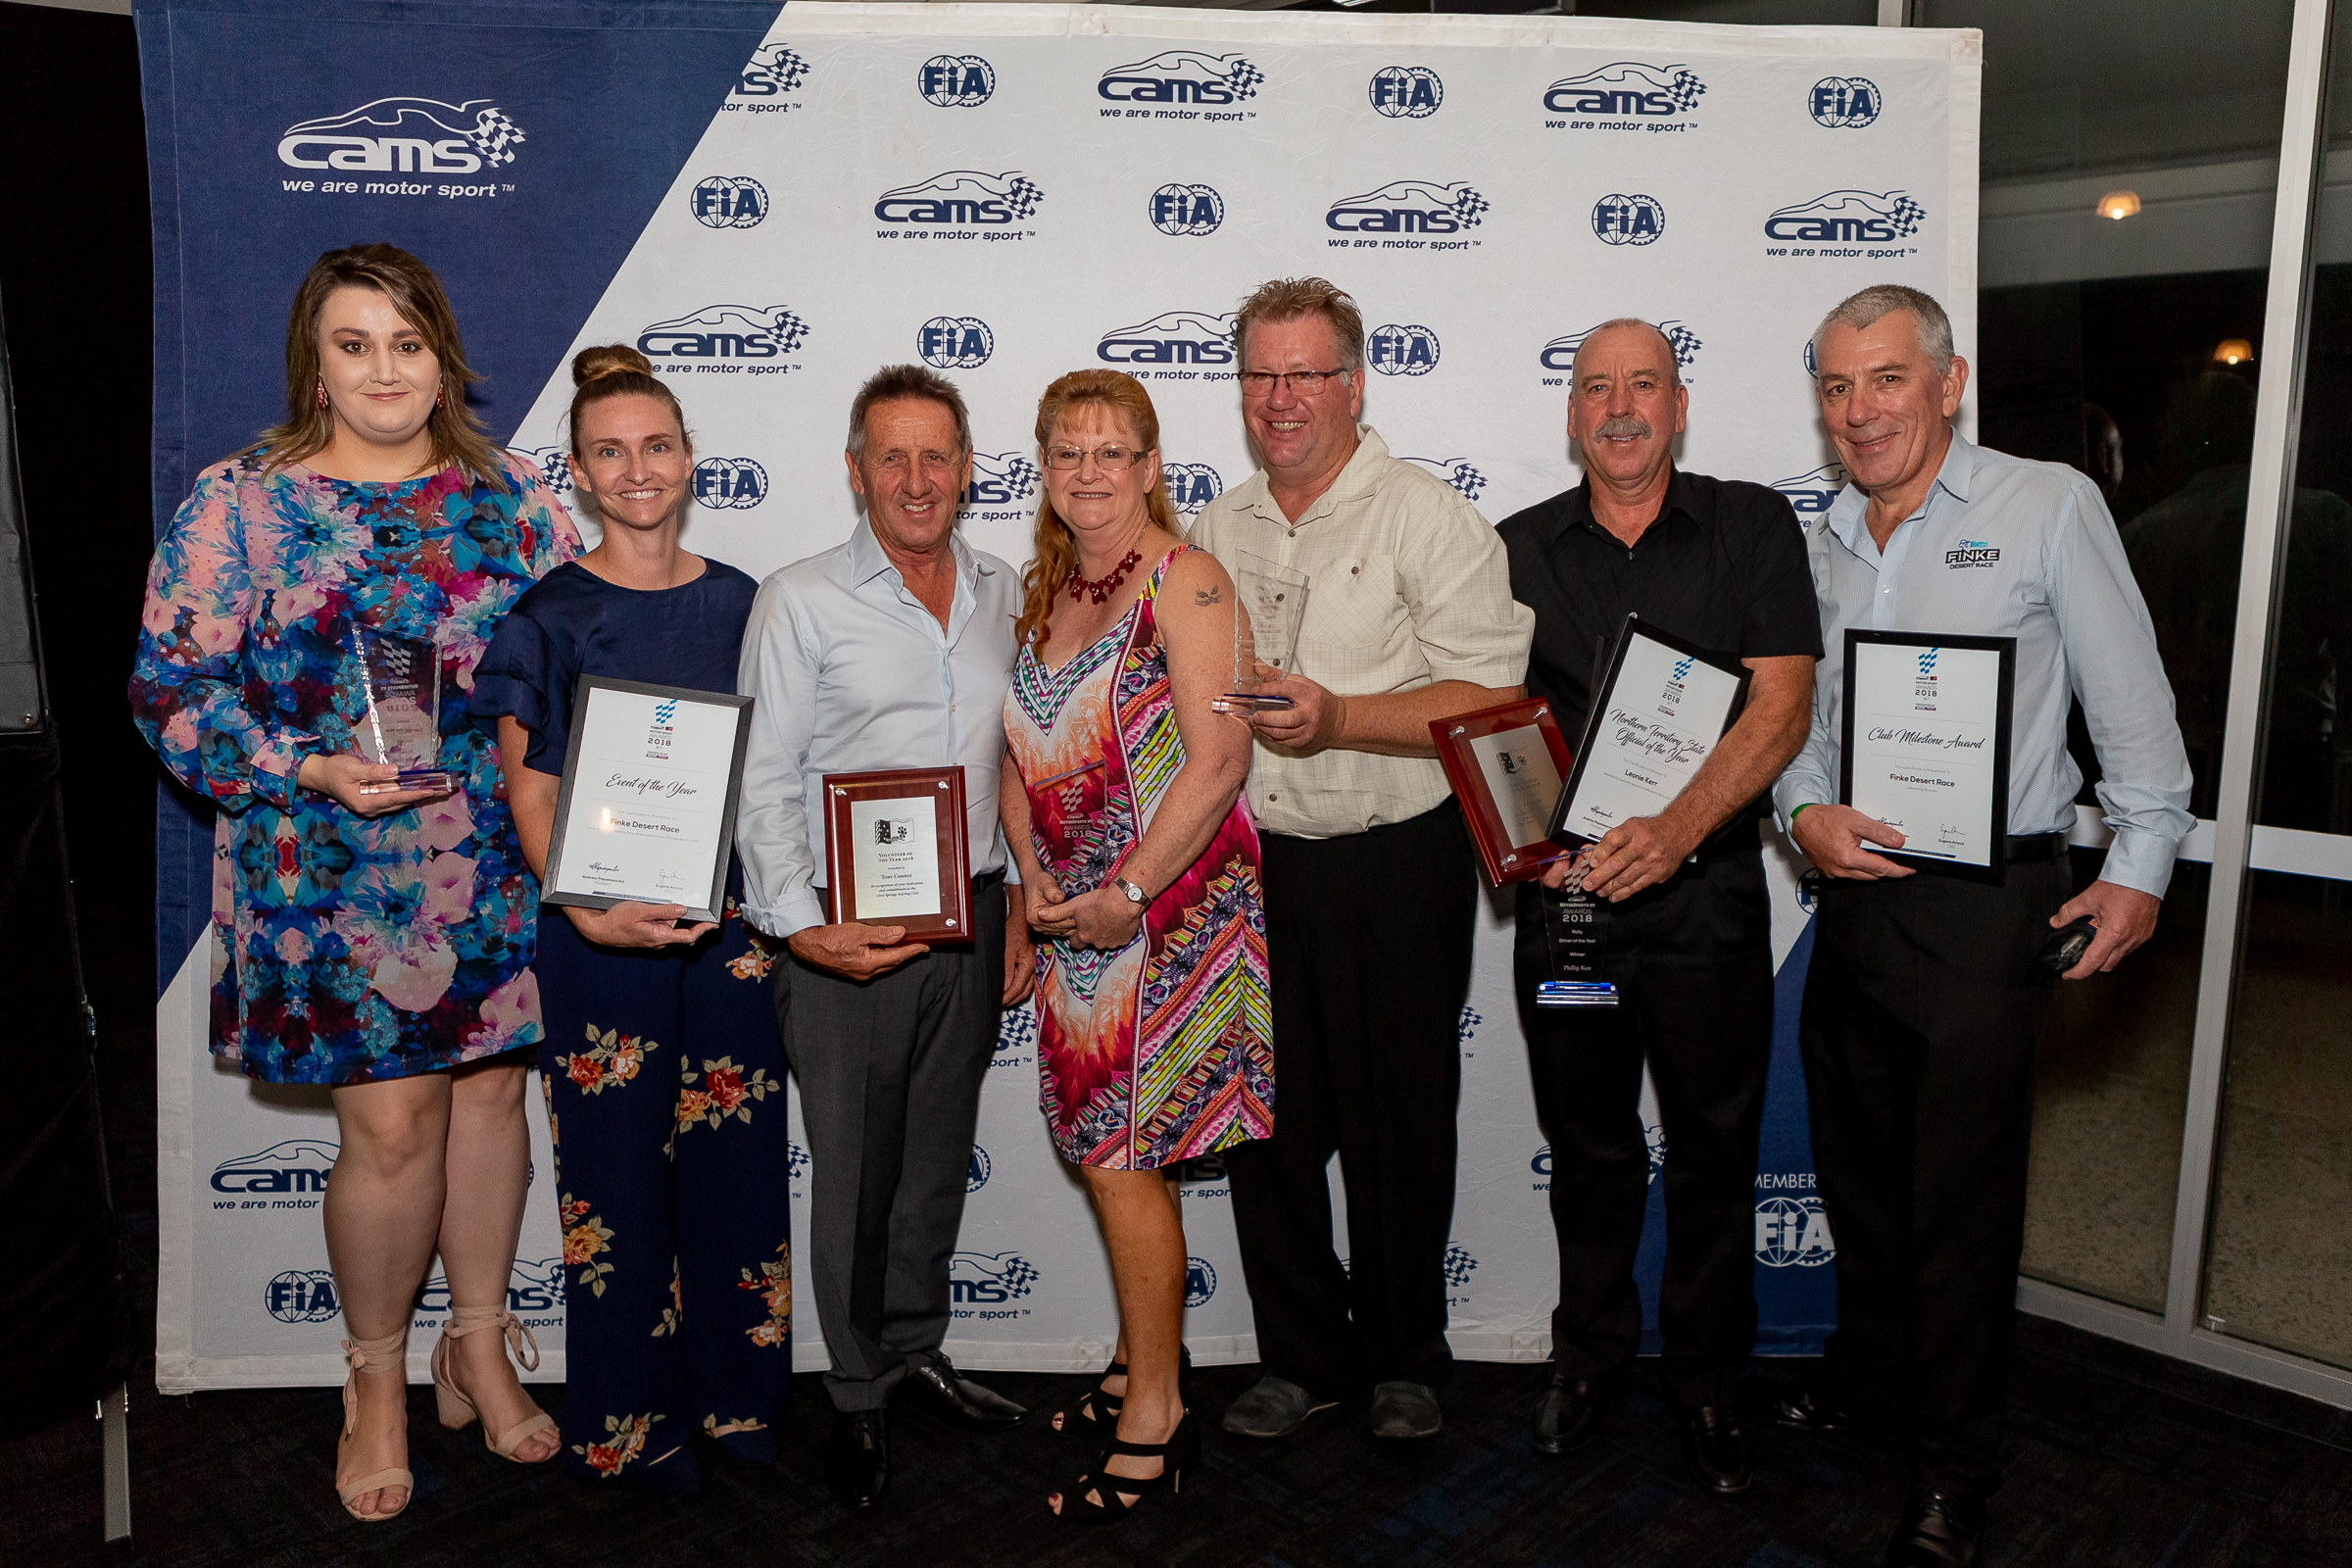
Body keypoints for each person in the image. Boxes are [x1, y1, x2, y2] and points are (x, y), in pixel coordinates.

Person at [128, 242, 577, 1522]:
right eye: (355, 343)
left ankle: (477, 1346)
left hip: (491, 861)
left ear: (443, 358)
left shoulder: (513, 496)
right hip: (326, 873)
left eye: (407, 342)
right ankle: (373, 1377)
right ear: (314, 365)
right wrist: (303, 767)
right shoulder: (240, 503)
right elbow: (168, 691)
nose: (385, 368)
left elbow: (574, 661)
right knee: (390, 1132)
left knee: (490, 1102)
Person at [1773, 284, 2192, 1567]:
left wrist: (2141, 864)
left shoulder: (2046, 504)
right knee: (1858, 1172)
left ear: (1948, 383)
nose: (1860, 410)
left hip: (1986, 904)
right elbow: (1802, 726)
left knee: (1957, 1205)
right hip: (1854, 902)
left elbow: (2132, 705)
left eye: (1887, 378)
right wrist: (1802, 813)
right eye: (1838, 386)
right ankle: (1871, 1379)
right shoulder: (1821, 534)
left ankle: (1956, 1468)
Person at [1191, 277, 1534, 1442]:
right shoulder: (1220, 526)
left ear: (1354, 384)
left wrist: (1340, 717)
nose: (1280, 398)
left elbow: (1490, 699)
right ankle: (1300, 1356)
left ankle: (1405, 1359)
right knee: (1269, 1131)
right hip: (1257, 867)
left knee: (1400, 1123)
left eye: (1306, 373)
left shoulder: (1427, 518)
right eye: (1261, 374)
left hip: (1396, 861)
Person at [1495, 318, 1820, 1493]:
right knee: (1589, 1150)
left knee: (1713, 1151)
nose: (1620, 406)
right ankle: (1587, 1357)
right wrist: (1526, 839)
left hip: (1704, 897)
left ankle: (1707, 1380)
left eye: (1644, 384)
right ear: (1570, 412)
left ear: (1681, 405)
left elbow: (1781, 706)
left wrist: (1672, 833)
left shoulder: (1752, 526)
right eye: (1596, 387)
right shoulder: (1516, 548)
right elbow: (1489, 716)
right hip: (1572, 903)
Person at [469, 346, 789, 1491]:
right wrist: (593, 911)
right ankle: (628, 1420)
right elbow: (531, 796)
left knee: (738, 1166)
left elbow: (777, 775)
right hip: (594, 936)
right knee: (613, 1180)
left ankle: (743, 1403)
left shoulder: (746, 603)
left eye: (656, 446)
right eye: (610, 451)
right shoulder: (546, 616)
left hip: (728, 933)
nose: (637, 468)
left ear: (690, 458)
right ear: (580, 472)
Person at [736, 364, 1034, 1509]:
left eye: (936, 455)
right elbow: (764, 781)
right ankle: (858, 1390)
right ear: (855, 471)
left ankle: (916, 1348)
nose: (917, 479)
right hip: (844, 933)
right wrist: (804, 928)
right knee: (857, 1173)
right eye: (892, 457)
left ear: (968, 468)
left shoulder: (1006, 589)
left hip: (973, 917)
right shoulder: (800, 598)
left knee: (933, 1161)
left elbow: (1018, 758)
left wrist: (1020, 906)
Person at [999, 369, 1270, 1522]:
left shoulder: (1187, 581)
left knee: (1121, 1156)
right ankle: (1134, 1362)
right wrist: (1034, 876)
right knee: (1118, 1154)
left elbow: (1221, 762)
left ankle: (1157, 1413)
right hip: (1077, 922)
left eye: (1113, 451)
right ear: (1044, 469)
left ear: (1152, 466)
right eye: (1068, 451)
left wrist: (1128, 891)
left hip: (1170, 916)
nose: (1090, 471)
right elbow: (1016, 754)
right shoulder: (1049, 587)